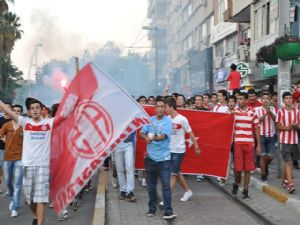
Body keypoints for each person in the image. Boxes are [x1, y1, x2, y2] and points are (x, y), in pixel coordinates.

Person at [0, 98, 54, 225]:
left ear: (42, 110)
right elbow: (7, 110)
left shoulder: (49, 123)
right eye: (32, 108)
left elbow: (66, 114)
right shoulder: (25, 122)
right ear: (29, 111)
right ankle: (36, 216)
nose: (35, 110)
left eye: (37, 108)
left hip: (43, 166)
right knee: (30, 199)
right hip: (27, 166)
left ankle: (40, 223)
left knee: (40, 199)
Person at [140, 98, 176, 220]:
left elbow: (162, 137)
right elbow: (141, 133)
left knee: (166, 186)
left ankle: (168, 211)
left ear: (165, 108)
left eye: (162, 106)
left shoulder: (168, 121)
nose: (160, 108)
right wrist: (145, 137)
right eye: (158, 106)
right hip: (150, 159)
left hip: (164, 159)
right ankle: (152, 209)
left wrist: (152, 139)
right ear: (155, 108)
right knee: (151, 186)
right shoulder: (149, 120)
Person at [165, 97, 200, 202]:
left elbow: (190, 132)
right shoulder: (167, 119)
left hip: (179, 151)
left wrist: (196, 146)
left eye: (166, 107)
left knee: (172, 174)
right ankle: (188, 191)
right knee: (177, 172)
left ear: (171, 106)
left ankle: (167, 199)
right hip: (169, 150)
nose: (164, 109)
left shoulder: (182, 119)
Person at [231, 93, 262, 200]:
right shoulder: (234, 112)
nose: (238, 101)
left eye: (240, 99)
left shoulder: (253, 112)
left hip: (249, 144)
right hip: (238, 143)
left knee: (248, 169)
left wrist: (259, 145)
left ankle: (245, 191)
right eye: (237, 99)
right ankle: (236, 183)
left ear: (245, 100)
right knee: (238, 169)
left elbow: (257, 128)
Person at [0, 105, 23, 218]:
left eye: (19, 111)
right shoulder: (6, 125)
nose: (16, 112)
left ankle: (15, 207)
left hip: (20, 158)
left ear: (21, 113)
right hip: (7, 157)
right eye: (14, 111)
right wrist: (6, 141)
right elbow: (0, 134)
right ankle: (12, 199)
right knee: (8, 181)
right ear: (11, 112)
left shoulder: (24, 126)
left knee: (18, 183)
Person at [276, 92, 300, 194]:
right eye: (287, 98)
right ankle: (290, 184)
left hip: (294, 140)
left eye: (290, 98)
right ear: (283, 100)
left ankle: (284, 181)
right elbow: (278, 126)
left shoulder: (297, 112)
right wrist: (287, 127)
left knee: (289, 162)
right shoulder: (280, 112)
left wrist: (295, 126)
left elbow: (299, 125)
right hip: (284, 141)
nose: (289, 100)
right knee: (289, 162)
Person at [255, 93, 276, 182]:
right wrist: (265, 114)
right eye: (263, 98)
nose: (265, 100)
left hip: (271, 135)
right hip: (261, 135)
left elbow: (276, 119)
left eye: (267, 98)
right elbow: (257, 121)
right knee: (262, 156)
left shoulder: (273, 109)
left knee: (270, 157)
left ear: (270, 100)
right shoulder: (257, 109)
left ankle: (264, 166)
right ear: (261, 99)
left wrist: (269, 112)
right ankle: (263, 175)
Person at [114, 133, 136, 202]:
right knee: (120, 169)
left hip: (128, 143)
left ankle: (130, 191)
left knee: (129, 167)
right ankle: (123, 190)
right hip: (117, 144)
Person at [0, 102, 12, 196]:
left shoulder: (14, 120)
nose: (6, 110)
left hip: (12, 150)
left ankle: (9, 189)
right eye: (5, 108)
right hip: (1, 149)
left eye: (8, 108)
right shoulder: (0, 120)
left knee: (7, 170)